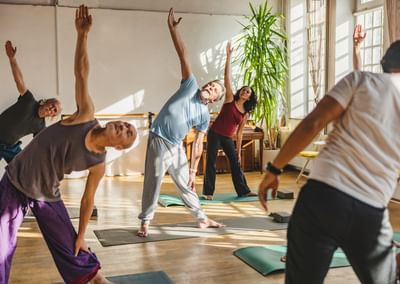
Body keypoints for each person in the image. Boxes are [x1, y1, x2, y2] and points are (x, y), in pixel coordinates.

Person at [0, 5, 136, 284]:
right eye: (124, 124)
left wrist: (83, 234)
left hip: (46, 194)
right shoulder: (86, 114)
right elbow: (81, 74)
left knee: (72, 244)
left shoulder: (98, 164)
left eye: (127, 132)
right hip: (15, 180)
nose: (123, 126)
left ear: (118, 147)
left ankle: (97, 278)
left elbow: (87, 200)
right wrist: (82, 35)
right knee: (1, 247)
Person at [258, 40, 400, 283]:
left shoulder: (361, 80)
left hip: (321, 198)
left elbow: (313, 123)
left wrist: (274, 168)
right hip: (370, 211)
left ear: (385, 62)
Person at [137, 8, 225, 237]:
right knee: (154, 181)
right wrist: (173, 30)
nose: (209, 88)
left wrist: (194, 170)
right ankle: (145, 221)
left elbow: (198, 143)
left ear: (215, 99)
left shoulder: (205, 116)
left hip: (176, 146)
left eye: (214, 89)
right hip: (159, 138)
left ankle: (202, 218)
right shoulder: (190, 86)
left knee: (186, 183)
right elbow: (183, 55)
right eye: (210, 85)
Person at [202, 41, 258, 200]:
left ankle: (243, 190)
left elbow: (239, 134)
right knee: (211, 162)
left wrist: (238, 152)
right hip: (215, 133)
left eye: (248, 92)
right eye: (244, 89)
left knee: (235, 163)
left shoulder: (245, 114)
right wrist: (228, 56)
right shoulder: (229, 99)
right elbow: (227, 77)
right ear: (240, 91)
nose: (245, 92)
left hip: (227, 138)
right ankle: (208, 193)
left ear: (249, 97)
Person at [0, 40, 61, 163]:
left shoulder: (40, 126)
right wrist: (12, 59)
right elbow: (19, 81)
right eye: (52, 106)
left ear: (52, 115)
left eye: (54, 111)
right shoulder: (28, 101)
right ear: (46, 102)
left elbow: (42, 145)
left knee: (23, 169)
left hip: (10, 147)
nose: (51, 109)